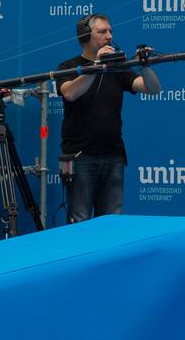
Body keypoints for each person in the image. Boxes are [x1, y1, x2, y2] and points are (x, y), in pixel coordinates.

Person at [58, 13, 161, 223]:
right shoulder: (68, 66)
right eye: (103, 31)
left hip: (114, 156)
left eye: (111, 31)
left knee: (111, 224)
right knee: (80, 221)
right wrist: (96, 66)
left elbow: (153, 89)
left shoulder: (117, 67)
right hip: (80, 157)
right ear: (86, 35)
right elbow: (70, 93)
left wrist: (145, 66)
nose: (109, 36)